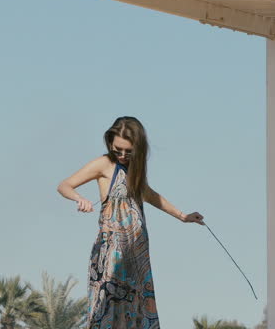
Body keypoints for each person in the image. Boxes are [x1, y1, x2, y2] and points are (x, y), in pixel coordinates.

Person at [56, 116, 204, 328]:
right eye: (118, 149)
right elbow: (64, 185)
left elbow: (149, 194)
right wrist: (80, 199)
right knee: (106, 309)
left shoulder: (135, 168)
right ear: (110, 143)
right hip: (111, 255)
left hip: (136, 254)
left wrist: (183, 216)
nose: (123, 155)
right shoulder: (104, 164)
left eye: (128, 151)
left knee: (138, 313)